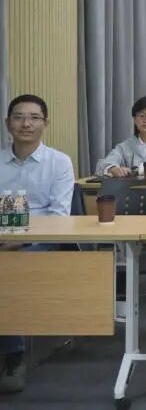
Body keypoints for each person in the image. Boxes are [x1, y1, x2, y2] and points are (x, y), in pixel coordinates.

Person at [0, 95, 76, 394]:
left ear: (46, 123)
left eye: (34, 117)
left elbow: (58, 216)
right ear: (8, 123)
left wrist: (21, 240)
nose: (26, 124)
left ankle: (13, 357)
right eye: (19, 117)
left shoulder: (59, 162)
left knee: (9, 269)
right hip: (3, 237)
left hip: (42, 241)